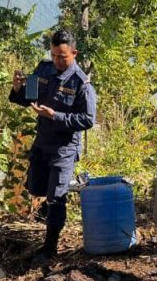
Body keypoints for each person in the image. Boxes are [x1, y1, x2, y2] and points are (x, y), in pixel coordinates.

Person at [9, 30, 97, 264]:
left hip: (64, 148)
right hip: (42, 142)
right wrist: (18, 88)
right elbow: (27, 98)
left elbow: (88, 120)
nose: (58, 60)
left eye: (63, 56)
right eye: (55, 55)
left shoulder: (82, 83)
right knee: (36, 188)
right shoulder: (44, 69)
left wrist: (55, 115)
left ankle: (50, 248)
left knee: (56, 197)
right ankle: (50, 219)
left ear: (74, 53)